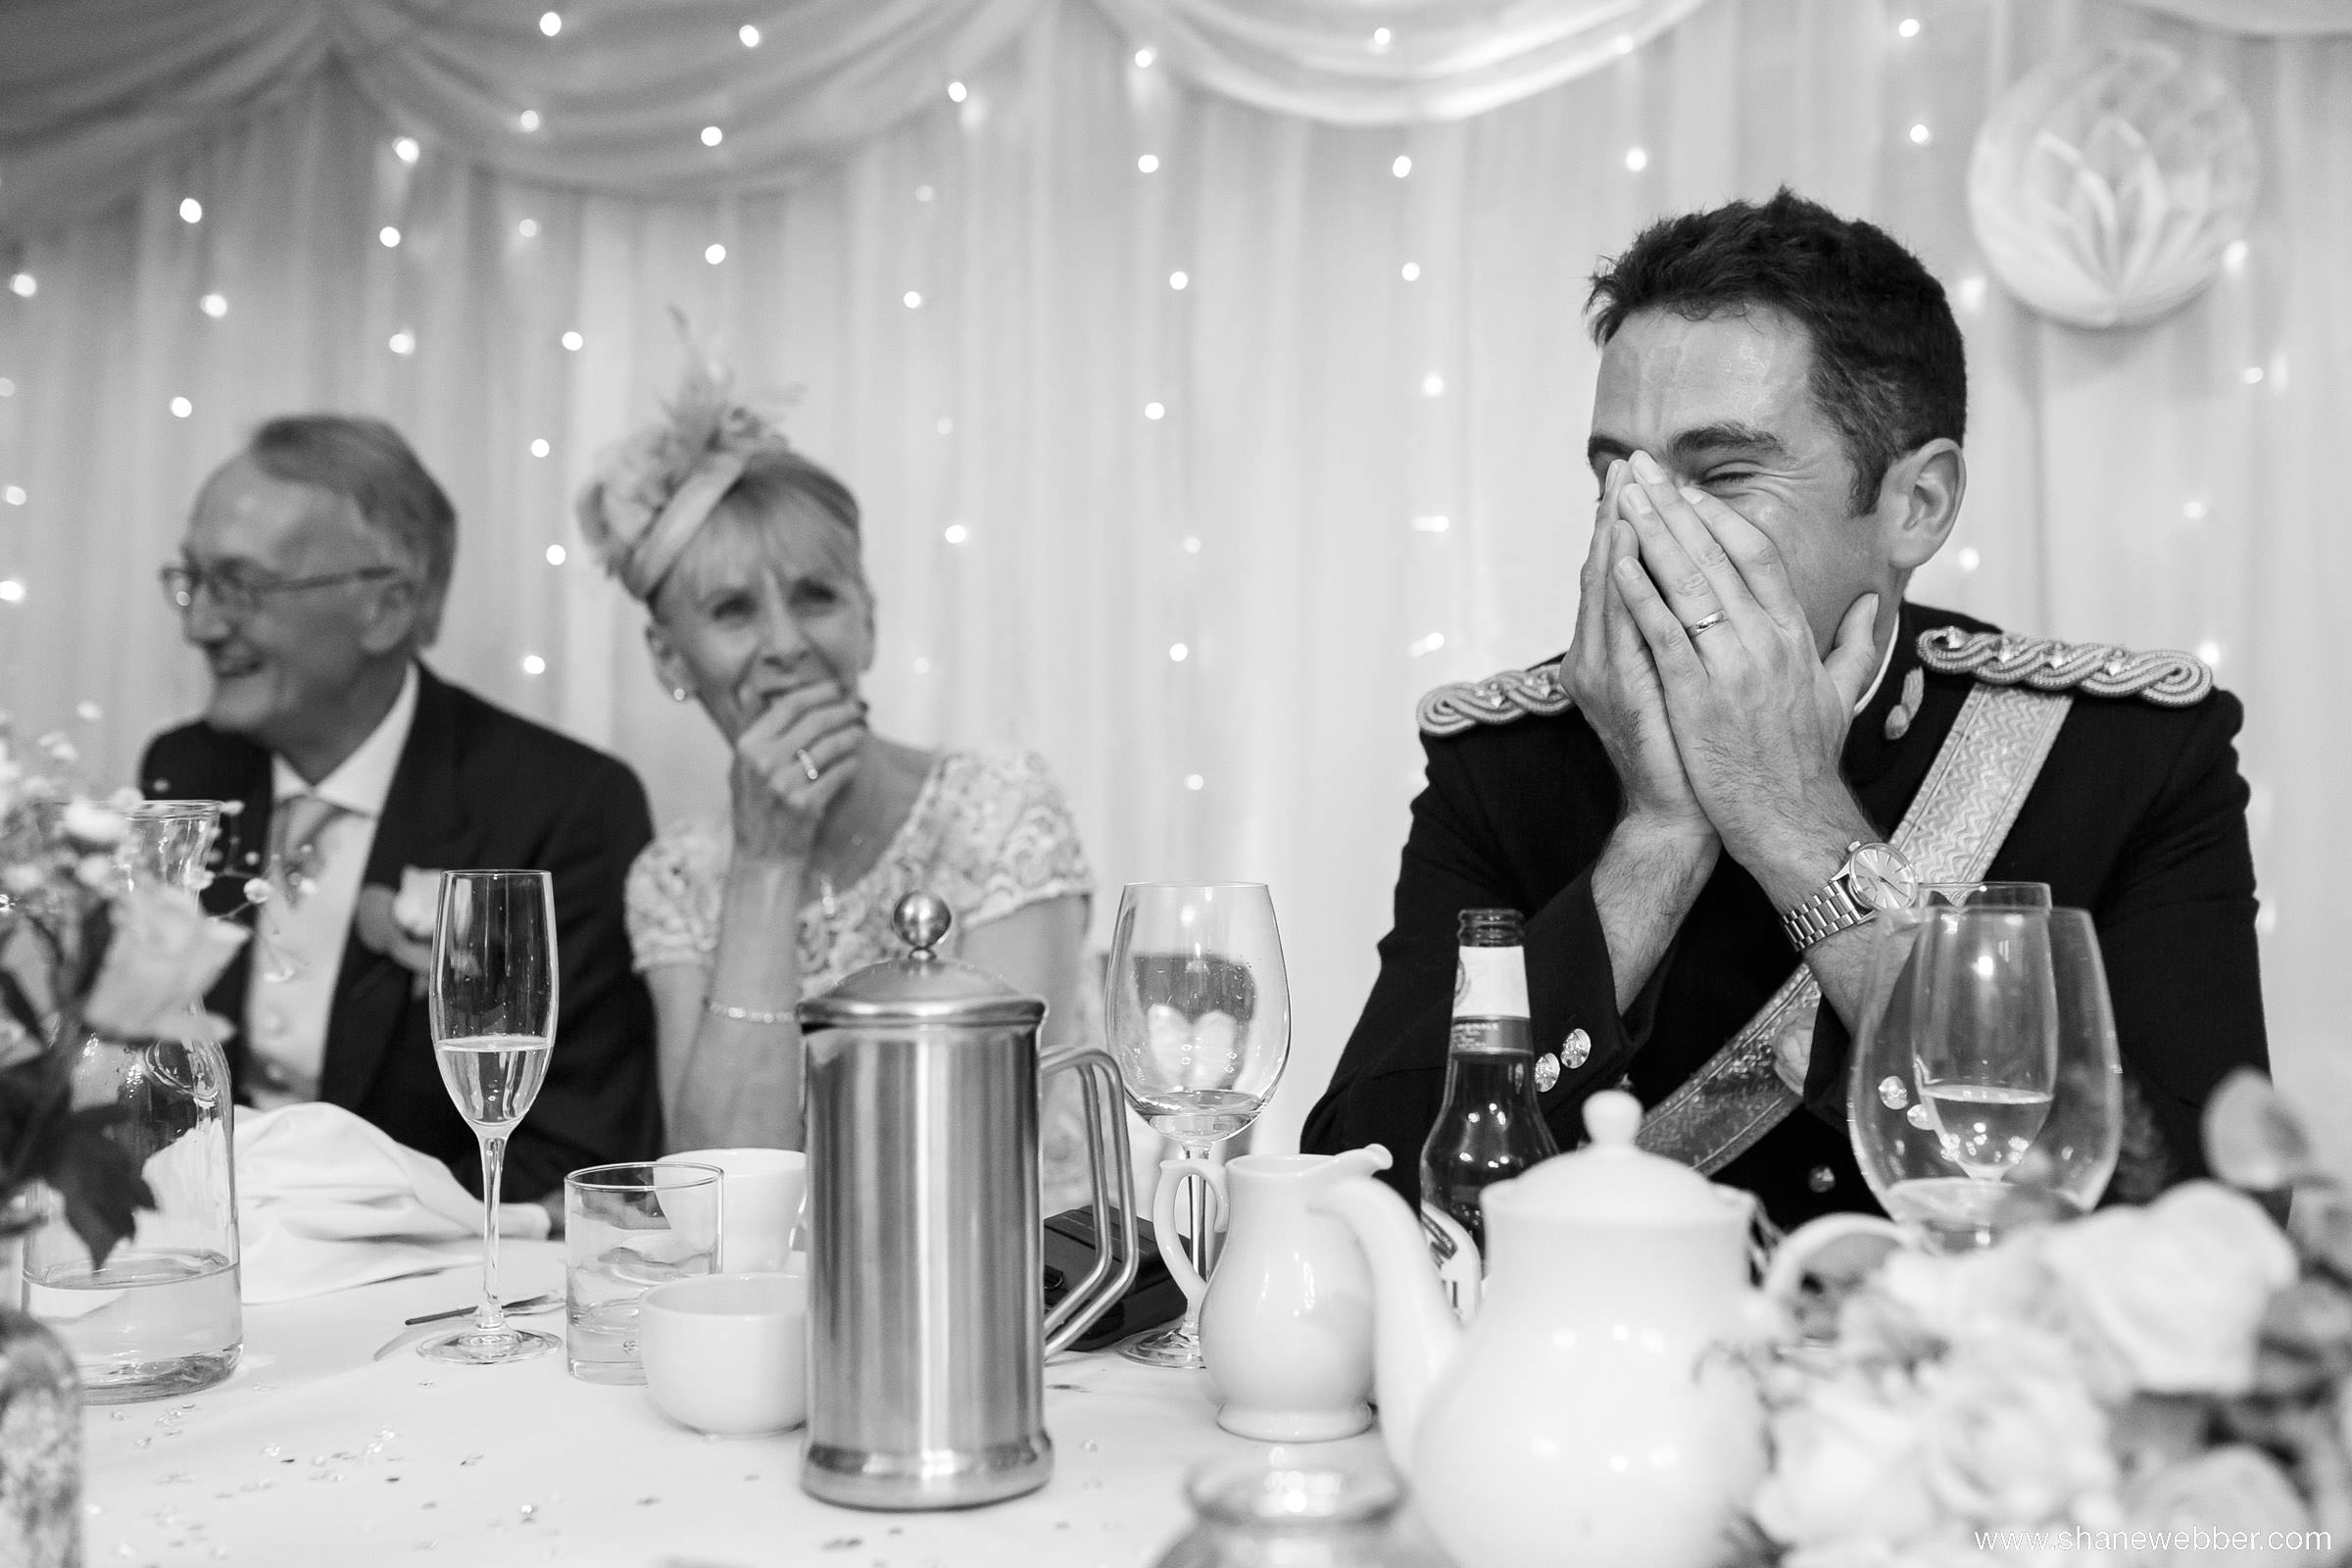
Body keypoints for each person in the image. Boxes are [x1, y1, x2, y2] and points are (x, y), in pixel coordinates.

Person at [1302, 191, 2266, 1230]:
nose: (1641, 526)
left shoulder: (2125, 758)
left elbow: (2209, 1239)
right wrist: (1656, 840)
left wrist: (1796, 821)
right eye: (1615, 477)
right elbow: (1362, 1201)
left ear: (1917, 505)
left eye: (1721, 473)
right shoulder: (1505, 763)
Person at [574, 361, 1097, 1206]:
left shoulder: (999, 804)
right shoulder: (676, 877)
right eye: (734, 611)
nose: (785, 644)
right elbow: (712, 1201)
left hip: (1022, 1288)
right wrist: (767, 862)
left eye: (816, 597)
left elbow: (980, 1154)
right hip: (785, 1310)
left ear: (870, 621)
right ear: (669, 658)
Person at [141, 416, 662, 1201]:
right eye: (193, 580)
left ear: (386, 607)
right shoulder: (185, 775)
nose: (200, 625)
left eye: (240, 586)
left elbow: (572, 1159)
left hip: (428, 1293)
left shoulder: (563, 806)